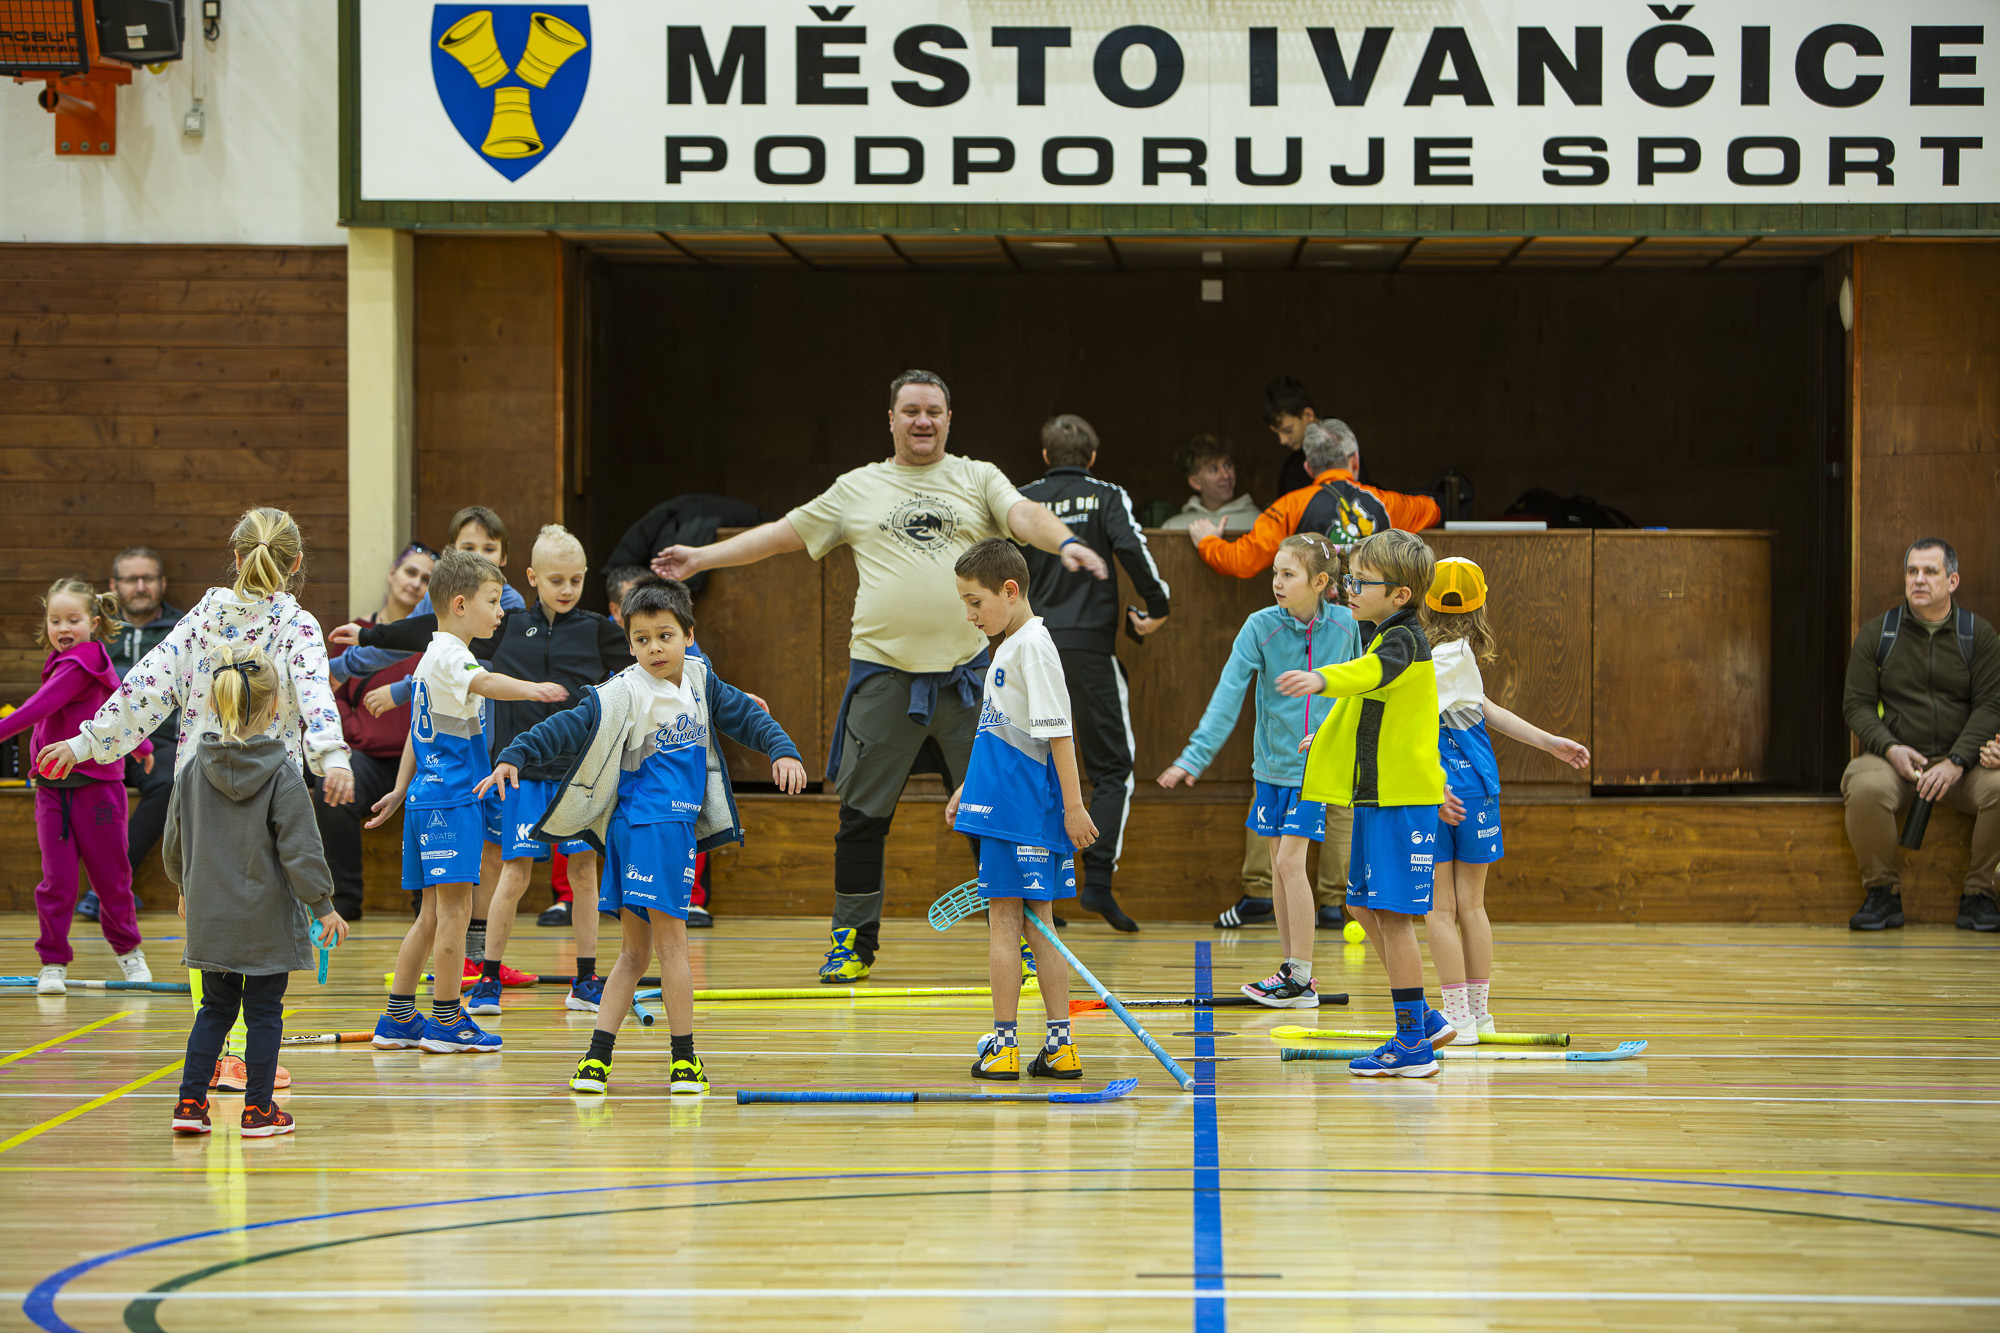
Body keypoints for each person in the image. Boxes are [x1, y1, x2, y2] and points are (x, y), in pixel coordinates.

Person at [651, 369, 1109, 981]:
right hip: (884, 680)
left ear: (950, 420)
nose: (923, 420)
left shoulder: (978, 477)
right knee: (861, 818)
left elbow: (1024, 515)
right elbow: (784, 535)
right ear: (891, 419)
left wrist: (1066, 541)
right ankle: (852, 942)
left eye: (934, 411)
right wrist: (702, 556)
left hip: (970, 681)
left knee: (998, 816)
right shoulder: (857, 487)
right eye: (911, 410)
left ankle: (1025, 938)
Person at [481, 576, 807, 1097]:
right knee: (673, 947)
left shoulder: (700, 679)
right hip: (649, 830)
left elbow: (747, 716)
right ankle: (684, 1061)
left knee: (634, 954)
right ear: (629, 644)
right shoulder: (622, 691)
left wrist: (782, 749)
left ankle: (595, 1060)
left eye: (665, 636)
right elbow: (566, 725)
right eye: (641, 639)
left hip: (652, 832)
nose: (654, 647)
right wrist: (514, 754)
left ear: (688, 636)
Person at [350, 525, 629, 1015]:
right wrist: (532, 689)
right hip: (494, 782)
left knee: (449, 911)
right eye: (556, 580)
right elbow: (468, 672)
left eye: (576, 580)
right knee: (476, 896)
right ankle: (466, 997)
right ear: (533, 578)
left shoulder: (592, 631)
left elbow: (647, 669)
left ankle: (407, 1014)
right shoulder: (482, 642)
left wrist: (701, 686)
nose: (566, 589)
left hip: (570, 774)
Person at [361, 549, 566, 1055]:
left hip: (427, 798)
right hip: (452, 801)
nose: (500, 611)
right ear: (459, 604)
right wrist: (534, 690)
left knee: (432, 914)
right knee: (454, 913)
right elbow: (487, 683)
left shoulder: (431, 658)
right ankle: (448, 1019)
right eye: (492, 601)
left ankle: (398, 1018)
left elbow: (416, 735)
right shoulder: (454, 656)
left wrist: (401, 788)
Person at [1279, 529, 1453, 1076]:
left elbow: (1365, 678)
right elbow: (1370, 706)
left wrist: (1320, 679)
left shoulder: (1403, 641)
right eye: (1349, 579)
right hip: (1376, 798)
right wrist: (1327, 737)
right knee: (1360, 905)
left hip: (1400, 801)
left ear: (1400, 594)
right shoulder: (1384, 636)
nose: (1348, 590)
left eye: (1361, 582)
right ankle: (1424, 1019)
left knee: (1394, 920)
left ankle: (1411, 1045)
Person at [1158, 535, 1359, 1008]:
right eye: (1275, 573)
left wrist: (1334, 741)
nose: (1277, 583)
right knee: (1279, 868)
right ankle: (1293, 974)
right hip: (1270, 769)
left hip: (1316, 768)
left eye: (1288, 574)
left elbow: (1357, 690)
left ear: (1320, 582)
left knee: (1290, 863)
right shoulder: (1260, 626)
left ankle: (1300, 975)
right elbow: (1228, 692)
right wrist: (1194, 756)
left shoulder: (1347, 625)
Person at [329, 506, 529, 974]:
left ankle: (473, 963)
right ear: (449, 557)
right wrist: (341, 665)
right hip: (450, 774)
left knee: (485, 863)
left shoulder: (506, 604)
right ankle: (446, 987)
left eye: (489, 548)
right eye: (468, 547)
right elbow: (430, 648)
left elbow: (467, 660)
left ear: (504, 556)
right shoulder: (445, 622)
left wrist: (390, 668)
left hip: (487, 748)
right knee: (442, 906)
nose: (480, 555)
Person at [166, 644, 350, 1138]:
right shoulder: (282, 773)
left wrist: (183, 887)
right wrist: (323, 906)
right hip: (266, 921)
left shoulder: (191, 770)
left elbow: (173, 842)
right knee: (264, 1013)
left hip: (211, 917)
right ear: (275, 709)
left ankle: (189, 1104)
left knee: (214, 1010)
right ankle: (258, 1112)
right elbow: (302, 851)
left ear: (214, 703)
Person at [1416, 558, 1590, 1043]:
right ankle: (1478, 1014)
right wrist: (1549, 741)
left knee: (1439, 908)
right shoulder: (1462, 654)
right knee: (1472, 905)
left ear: (1423, 602)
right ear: (1481, 606)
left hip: (1437, 789)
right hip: (1478, 788)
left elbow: (1404, 719)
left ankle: (1458, 1018)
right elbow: (1484, 709)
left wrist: (1334, 737)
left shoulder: (1429, 657)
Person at [1018, 414, 1170, 932]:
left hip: (1030, 648)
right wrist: (1157, 606)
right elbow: (1131, 549)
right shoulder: (1107, 495)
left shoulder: (1022, 499)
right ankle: (1098, 882)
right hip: (1089, 650)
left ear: (1045, 456)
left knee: (1032, 768)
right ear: (1093, 457)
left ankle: (1037, 893)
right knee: (1112, 769)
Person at [946, 539, 1092, 1080]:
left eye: (975, 601)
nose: (970, 615)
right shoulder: (1011, 647)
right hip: (1007, 806)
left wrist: (1074, 808)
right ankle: (1059, 1047)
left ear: (1010, 590)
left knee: (1005, 922)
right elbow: (1004, 733)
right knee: (1038, 925)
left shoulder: (1032, 646)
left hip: (1021, 812)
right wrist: (968, 787)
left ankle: (1006, 1046)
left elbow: (1059, 735)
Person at [1, 579, 154, 994]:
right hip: (53, 790)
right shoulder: (69, 659)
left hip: (98, 789)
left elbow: (38, 708)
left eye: (73, 619)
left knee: (111, 879)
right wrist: (141, 745)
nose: (63, 628)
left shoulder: (81, 662)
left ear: (94, 622)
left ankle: (128, 952)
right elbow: (115, 701)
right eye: (55, 620)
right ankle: (53, 963)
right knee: (57, 882)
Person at [1841, 537, 2000, 932]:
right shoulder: (1879, 633)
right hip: (1898, 763)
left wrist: (1957, 760)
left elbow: (1991, 705)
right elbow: (1857, 705)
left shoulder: (1978, 635)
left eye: (1931, 571)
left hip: (1963, 767)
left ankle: (1980, 896)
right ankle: (1883, 893)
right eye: (1912, 571)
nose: (1919, 579)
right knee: (1864, 785)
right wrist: (1890, 748)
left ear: (1952, 580)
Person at [314, 541, 435, 921]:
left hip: (421, 757)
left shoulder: (435, 637)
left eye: (426, 579)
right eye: (410, 572)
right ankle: (345, 899)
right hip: (366, 757)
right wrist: (356, 731)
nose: (416, 583)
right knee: (330, 789)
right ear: (392, 574)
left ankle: (426, 906)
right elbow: (329, 694)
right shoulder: (358, 633)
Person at [1188, 419, 1441, 577]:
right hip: (1372, 635)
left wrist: (1208, 542)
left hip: (1316, 634)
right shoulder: (1387, 504)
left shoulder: (1289, 507)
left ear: (1308, 468)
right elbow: (1432, 509)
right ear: (1355, 460)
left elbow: (1241, 561)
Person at [100, 547, 184, 922]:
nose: (139, 586)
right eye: (130, 579)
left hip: (161, 740)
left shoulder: (183, 628)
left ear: (162, 583)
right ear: (114, 585)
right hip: (102, 740)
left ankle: (109, 886)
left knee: (170, 782)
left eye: (147, 578)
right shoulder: (97, 629)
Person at [1160, 435, 1259, 535]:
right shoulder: (1173, 527)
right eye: (1214, 470)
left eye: (1228, 465)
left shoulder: (1258, 522)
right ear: (1195, 482)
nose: (1226, 475)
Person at [1264, 376, 1321, 497]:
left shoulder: (1344, 452)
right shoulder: (1291, 467)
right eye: (1277, 433)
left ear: (1308, 415)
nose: (1283, 440)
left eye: (1288, 430)